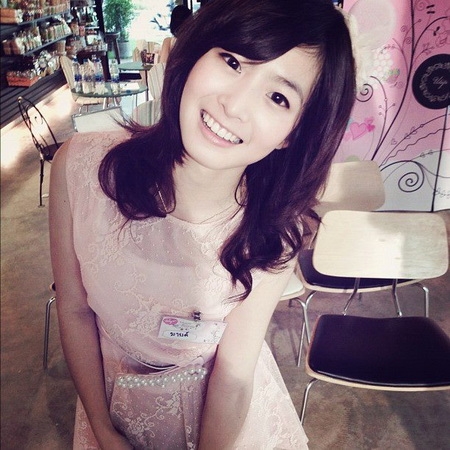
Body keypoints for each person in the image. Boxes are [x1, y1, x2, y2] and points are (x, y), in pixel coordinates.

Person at [49, 0, 356, 448]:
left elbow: (234, 373)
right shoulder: (79, 168)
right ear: (195, 55)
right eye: (232, 61)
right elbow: (74, 309)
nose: (233, 105)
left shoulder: (273, 229)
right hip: (111, 408)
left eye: (278, 97)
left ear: (293, 133)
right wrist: (101, 426)